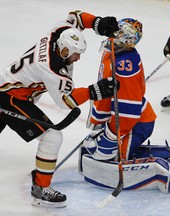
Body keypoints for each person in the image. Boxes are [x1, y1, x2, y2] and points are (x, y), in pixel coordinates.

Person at [0, 10, 120, 208]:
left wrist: (99, 23)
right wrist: (95, 91)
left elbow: (77, 17)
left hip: (8, 85)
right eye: (75, 54)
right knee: (52, 137)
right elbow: (65, 102)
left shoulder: (58, 33)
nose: (78, 59)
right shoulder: (52, 68)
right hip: (10, 98)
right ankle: (41, 190)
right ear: (64, 51)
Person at [79, 18, 170, 193]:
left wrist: (112, 134)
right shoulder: (112, 52)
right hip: (121, 119)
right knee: (109, 153)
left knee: (116, 158)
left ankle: (169, 163)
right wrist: (100, 121)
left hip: (135, 123)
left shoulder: (124, 66)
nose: (111, 36)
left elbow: (128, 110)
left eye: (117, 34)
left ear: (126, 40)